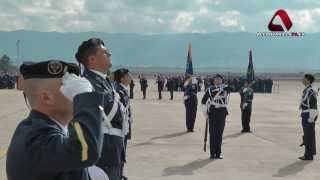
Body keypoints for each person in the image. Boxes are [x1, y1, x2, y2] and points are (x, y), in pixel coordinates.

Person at [6, 60, 105, 180]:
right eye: (69, 84)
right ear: (47, 98)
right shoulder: (35, 140)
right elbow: (86, 151)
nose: (76, 90)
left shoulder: (36, 127)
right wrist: (84, 97)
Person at [76, 38, 124, 180]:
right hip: (101, 158)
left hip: (112, 153)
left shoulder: (105, 81)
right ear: (92, 60)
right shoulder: (87, 83)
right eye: (105, 53)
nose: (109, 55)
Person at [201, 74, 231, 159]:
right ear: (213, 81)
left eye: (219, 79)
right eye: (216, 79)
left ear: (222, 80)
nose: (218, 80)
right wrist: (205, 113)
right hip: (213, 112)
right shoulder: (210, 89)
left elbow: (231, 88)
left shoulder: (225, 88)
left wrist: (224, 87)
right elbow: (203, 101)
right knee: (213, 134)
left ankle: (218, 153)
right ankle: (212, 153)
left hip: (222, 112)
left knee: (219, 134)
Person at [113, 68, 133, 180]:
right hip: (120, 129)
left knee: (122, 152)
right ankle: (118, 174)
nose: (130, 77)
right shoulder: (118, 91)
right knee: (120, 153)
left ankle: (120, 173)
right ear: (122, 78)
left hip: (124, 127)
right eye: (128, 75)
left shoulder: (123, 89)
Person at [299, 74, 318, 160]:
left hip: (309, 115)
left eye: (304, 78)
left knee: (309, 135)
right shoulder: (307, 90)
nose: (303, 80)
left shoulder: (310, 91)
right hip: (305, 114)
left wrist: (312, 117)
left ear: (308, 80)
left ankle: (308, 155)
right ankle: (309, 154)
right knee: (307, 135)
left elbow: (314, 104)